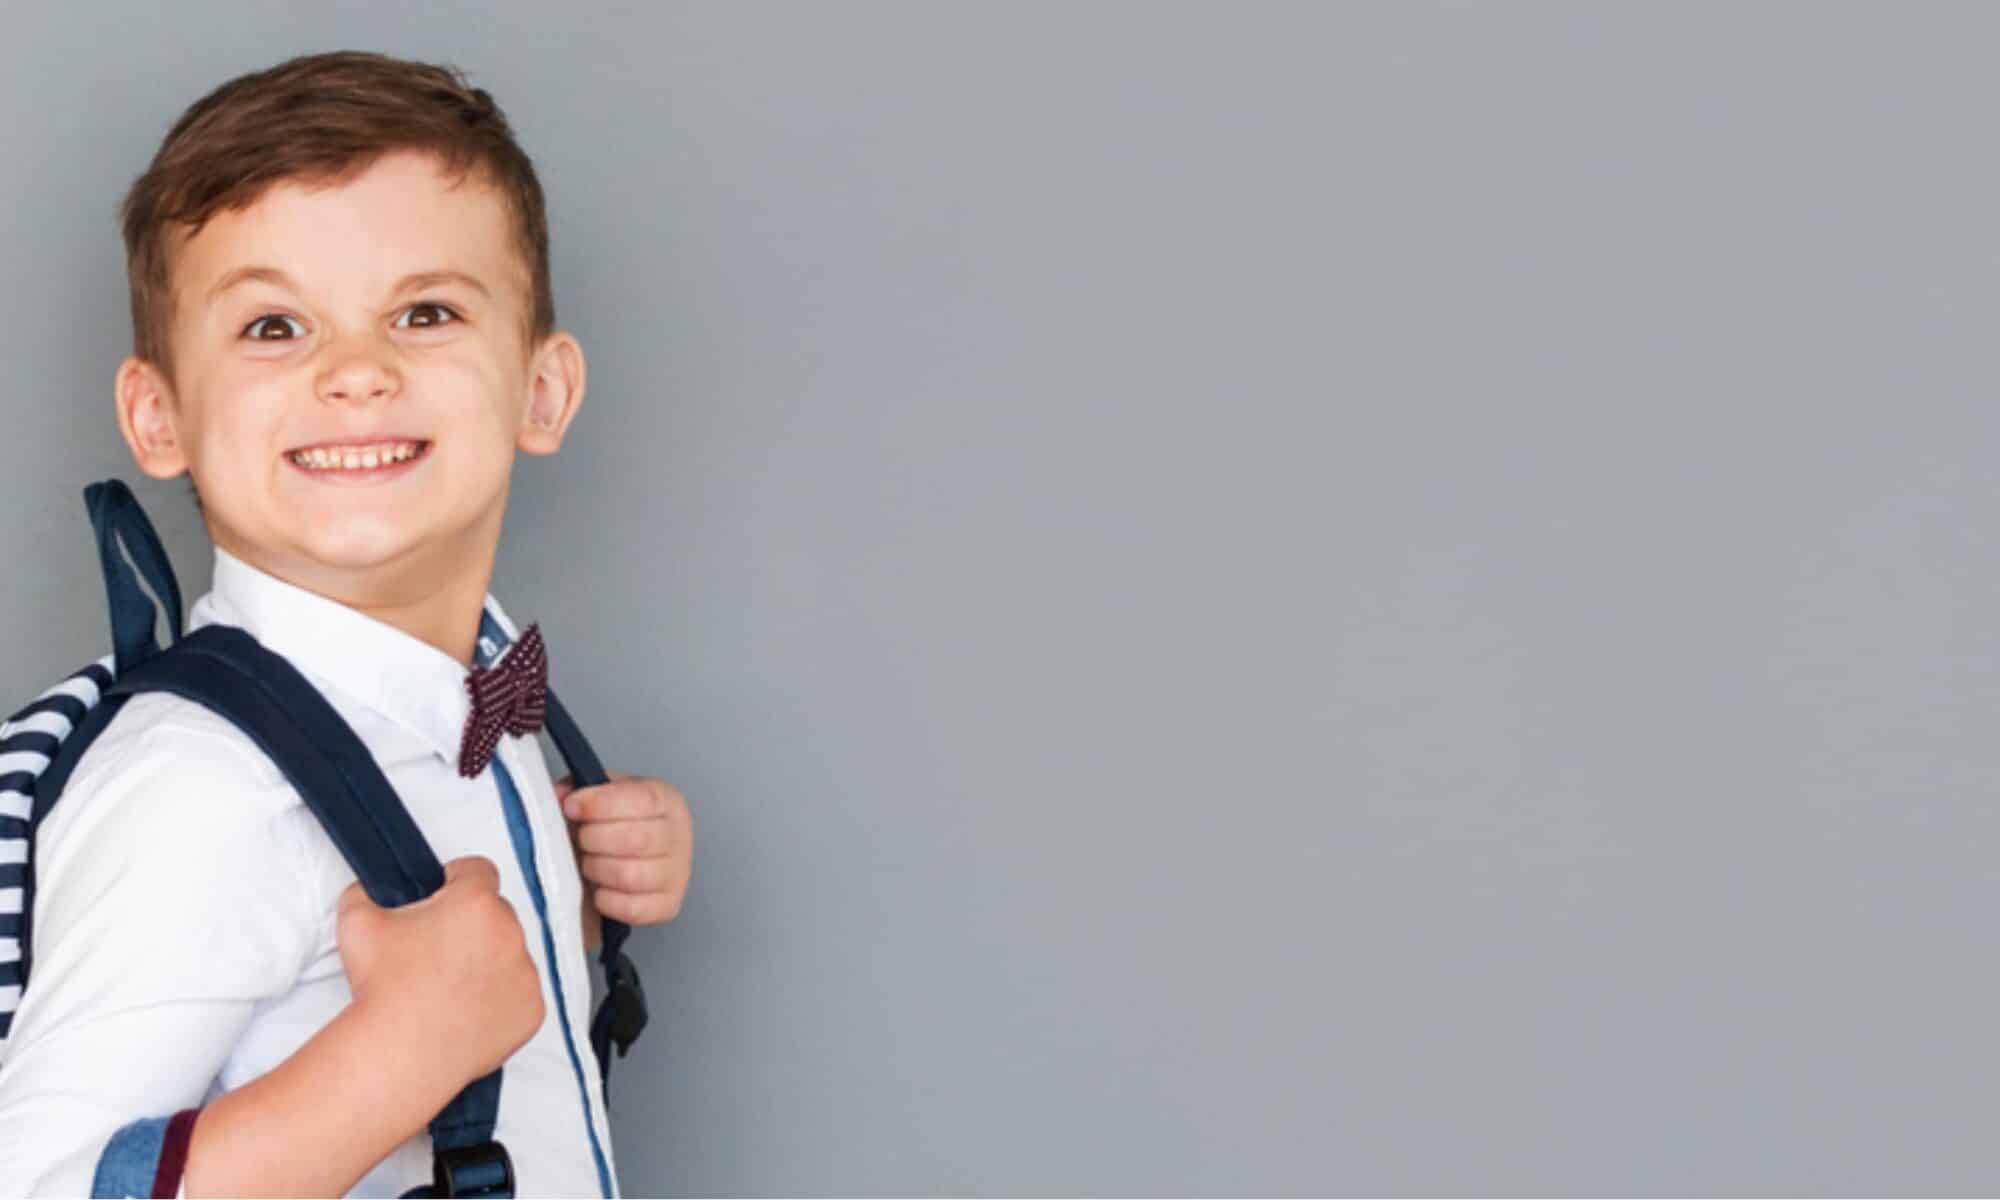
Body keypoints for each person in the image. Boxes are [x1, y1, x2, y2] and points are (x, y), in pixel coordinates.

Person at [0, 49, 693, 1198]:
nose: (357, 372)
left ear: (542, 390)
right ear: (159, 415)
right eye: (274, 327)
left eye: (423, 313)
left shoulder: (486, 699)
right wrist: (400, 1054)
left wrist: (578, 901)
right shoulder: (203, 795)